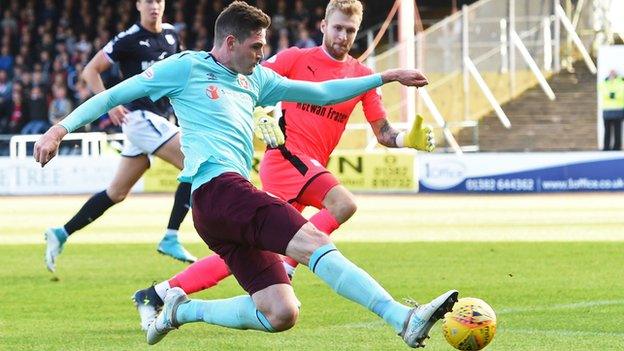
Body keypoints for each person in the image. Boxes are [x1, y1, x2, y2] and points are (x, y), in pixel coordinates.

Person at [34, 2, 458, 348]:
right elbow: (115, 93)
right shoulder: (186, 67)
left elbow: (323, 92)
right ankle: (403, 318)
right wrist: (59, 128)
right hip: (219, 190)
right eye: (256, 46)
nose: (262, 54)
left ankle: (179, 309)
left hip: (220, 205)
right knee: (313, 241)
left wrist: (385, 76)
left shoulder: (255, 80)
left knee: (280, 312)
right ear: (231, 42)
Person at [131, 0, 437, 331]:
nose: (343, 36)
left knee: (248, 249)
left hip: (311, 166)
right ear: (323, 26)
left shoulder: (361, 77)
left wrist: (407, 139)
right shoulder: (295, 58)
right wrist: (265, 113)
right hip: (287, 157)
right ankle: (291, 263)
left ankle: (159, 293)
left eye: (350, 31)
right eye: (337, 28)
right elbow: (247, 83)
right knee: (342, 203)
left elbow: (383, 132)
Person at [43, 0, 197, 273]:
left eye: (159, 1)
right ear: (138, 5)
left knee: (116, 192)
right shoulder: (127, 40)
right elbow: (90, 70)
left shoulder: (172, 35)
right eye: (148, 1)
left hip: (159, 121)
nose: (154, 6)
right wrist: (111, 103)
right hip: (139, 119)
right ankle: (171, 235)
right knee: (195, 163)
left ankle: (61, 233)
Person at [600, 70, 624, 150]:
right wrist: (613, 95)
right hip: (607, 111)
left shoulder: (621, 82)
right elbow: (603, 92)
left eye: (613, 73)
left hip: (618, 110)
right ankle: (606, 147)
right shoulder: (605, 82)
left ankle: (617, 147)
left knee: (617, 130)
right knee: (607, 130)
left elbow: (621, 93)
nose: (612, 75)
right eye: (611, 73)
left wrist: (612, 95)